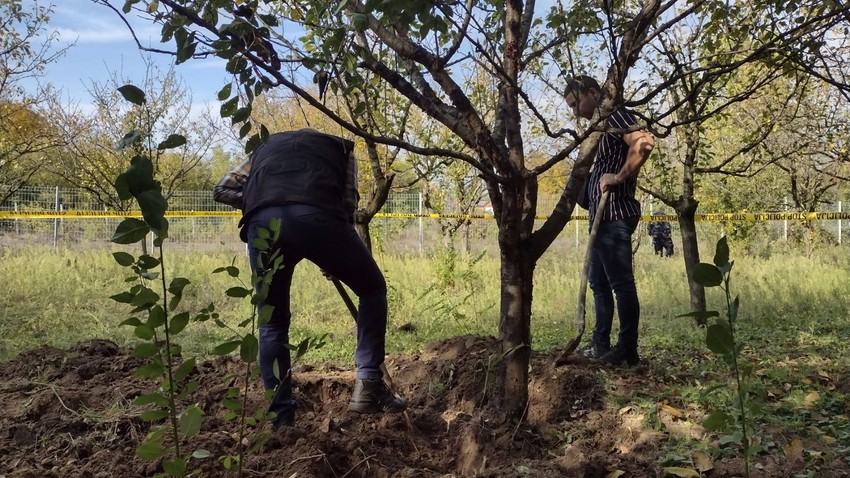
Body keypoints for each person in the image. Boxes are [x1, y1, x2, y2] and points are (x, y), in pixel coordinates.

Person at [213, 128, 406, 427]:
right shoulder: (341, 148)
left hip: (263, 221)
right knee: (371, 289)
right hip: (318, 218)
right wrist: (334, 255)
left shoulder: (262, 149)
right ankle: (368, 385)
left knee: (272, 322)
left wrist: (264, 199)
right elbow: (347, 203)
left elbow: (223, 188)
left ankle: (281, 418)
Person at [564, 75, 655, 366]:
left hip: (614, 214)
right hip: (599, 217)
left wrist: (618, 176)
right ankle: (600, 343)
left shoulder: (618, 115)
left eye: (576, 103)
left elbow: (644, 143)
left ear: (593, 93)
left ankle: (627, 348)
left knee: (620, 284)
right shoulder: (600, 126)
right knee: (599, 284)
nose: (575, 111)